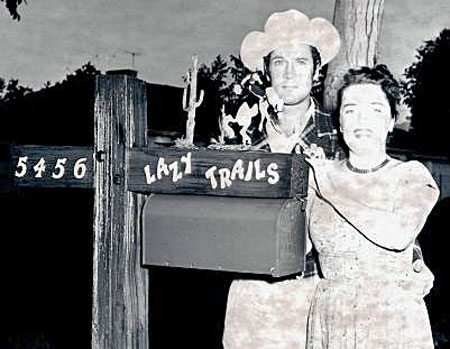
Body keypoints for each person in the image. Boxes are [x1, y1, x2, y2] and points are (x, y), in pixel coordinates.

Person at [222, 10, 433, 348]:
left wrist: (416, 260)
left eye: (301, 62)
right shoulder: (239, 134)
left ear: (317, 71)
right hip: (252, 291)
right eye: (279, 62)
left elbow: (374, 196)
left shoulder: (340, 134)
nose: (290, 73)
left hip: (312, 291)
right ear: (265, 71)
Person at [306, 65, 439, 348]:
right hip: (332, 317)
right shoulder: (317, 174)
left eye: (375, 110)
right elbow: (297, 247)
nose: (361, 120)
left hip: (390, 320)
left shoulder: (411, 175)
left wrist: (330, 189)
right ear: (339, 122)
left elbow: (396, 236)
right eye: (351, 109)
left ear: (391, 121)